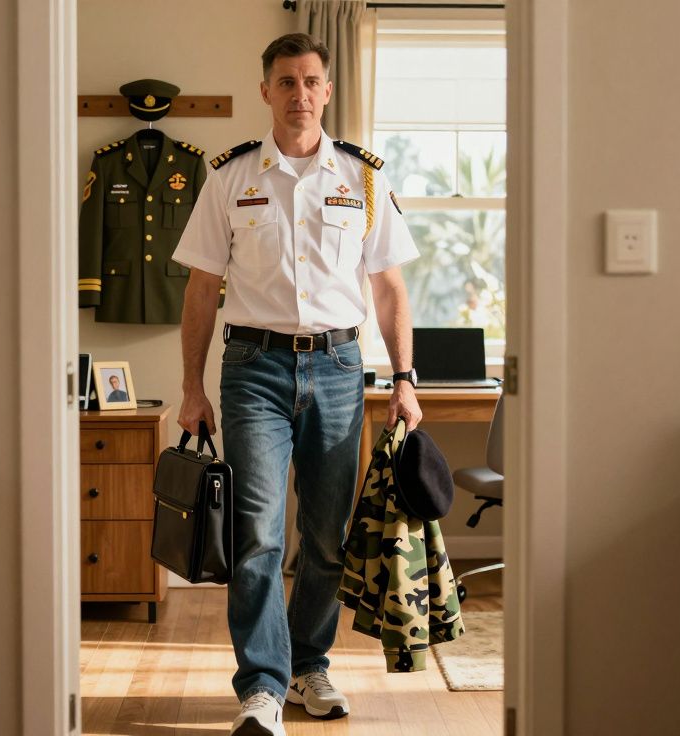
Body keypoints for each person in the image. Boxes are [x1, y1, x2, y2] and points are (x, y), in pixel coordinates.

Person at [171, 32, 422, 736]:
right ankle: (261, 687)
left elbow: (390, 290)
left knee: (326, 535)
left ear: (328, 90)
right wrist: (191, 389)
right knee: (256, 533)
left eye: (311, 81)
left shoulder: (363, 178)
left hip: (341, 369)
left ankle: (311, 664)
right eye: (286, 81)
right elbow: (199, 291)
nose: (299, 94)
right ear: (266, 91)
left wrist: (404, 378)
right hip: (253, 370)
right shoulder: (229, 177)